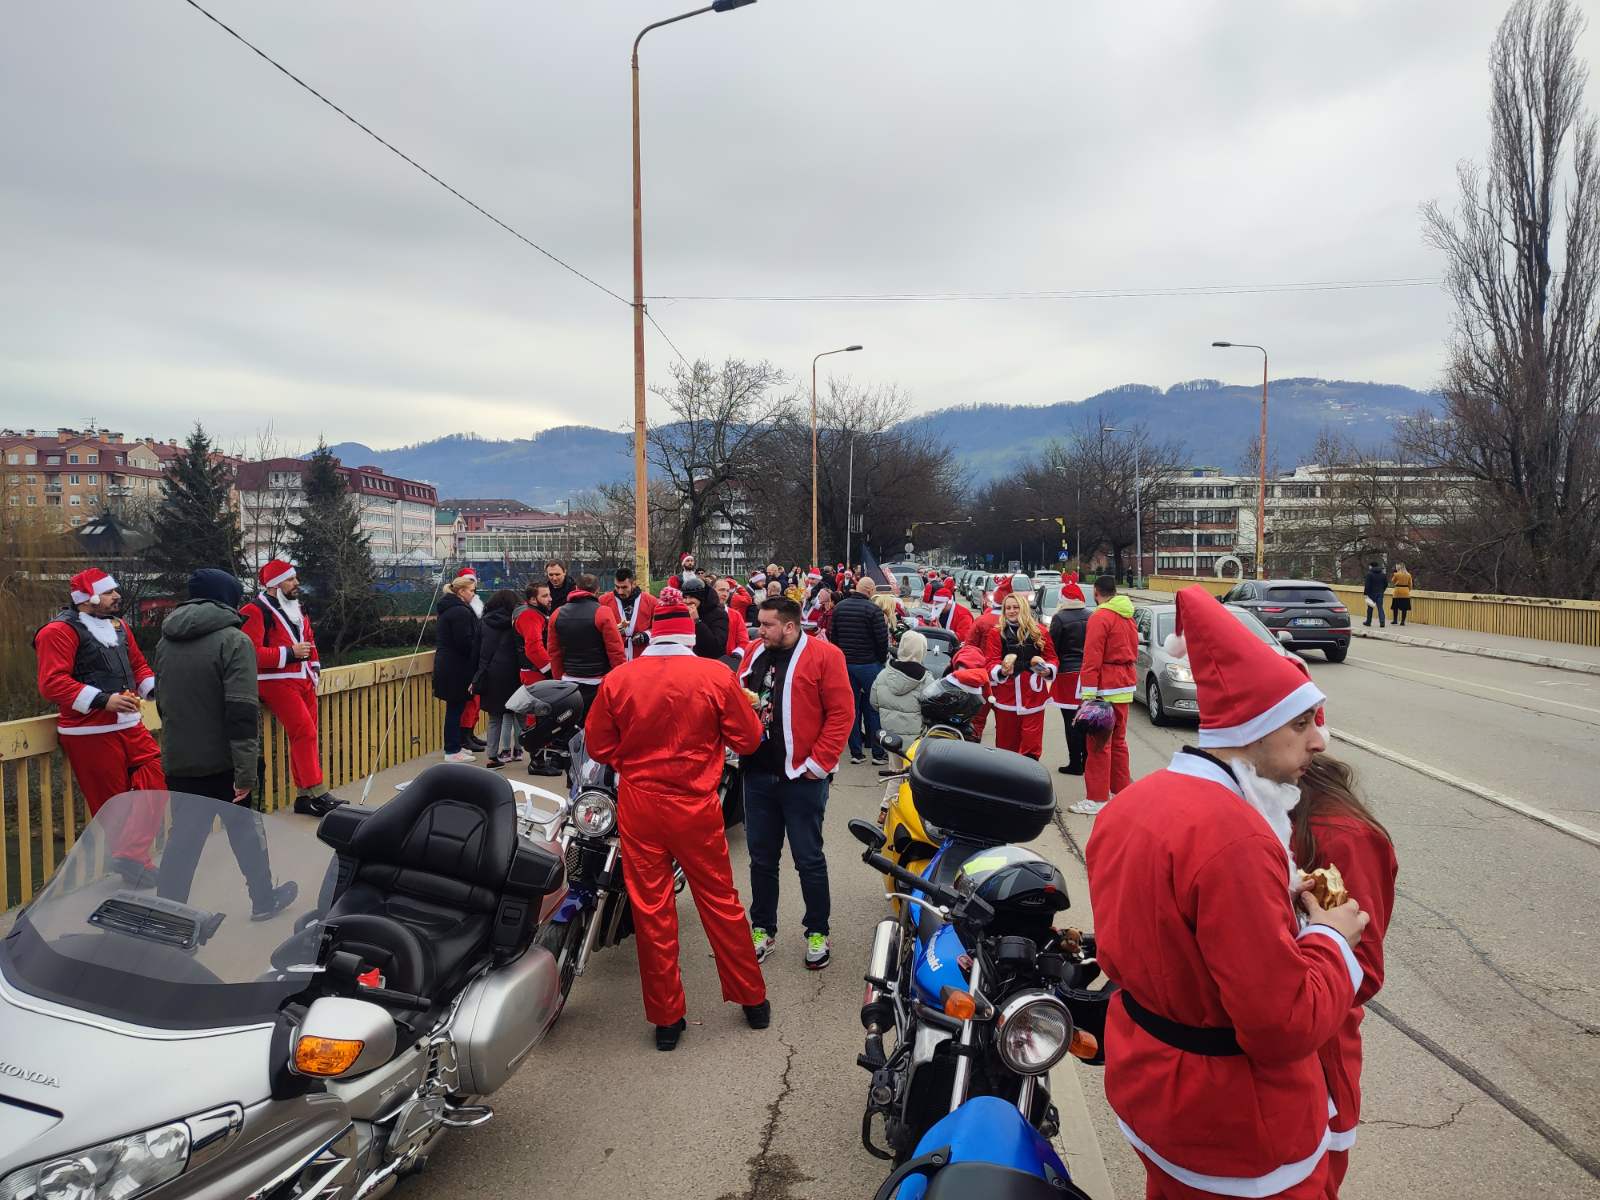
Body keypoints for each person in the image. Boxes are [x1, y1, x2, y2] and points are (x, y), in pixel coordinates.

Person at [1085, 584, 1369, 1200]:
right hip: (1235, 1127)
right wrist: (1329, 938)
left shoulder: (1131, 804)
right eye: (1299, 723)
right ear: (1253, 727)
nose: (1317, 741)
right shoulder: (1237, 839)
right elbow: (1281, 1027)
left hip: (1150, 1086)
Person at [584, 586, 770, 1050]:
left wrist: (634, 755)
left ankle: (667, 1021)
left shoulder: (620, 678)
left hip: (640, 804)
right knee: (720, 901)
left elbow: (598, 748)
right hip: (695, 805)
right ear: (689, 635)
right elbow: (748, 741)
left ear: (651, 634)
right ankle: (753, 1002)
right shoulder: (715, 675)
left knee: (652, 910)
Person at [154, 568, 298, 920]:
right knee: (246, 832)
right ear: (229, 598)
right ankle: (264, 901)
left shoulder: (166, 640)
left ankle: (165, 914)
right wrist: (246, 771)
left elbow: (162, 703)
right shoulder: (235, 641)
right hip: (225, 762)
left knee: (183, 840)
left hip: (179, 759)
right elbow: (241, 711)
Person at [1292, 756, 1397, 1194]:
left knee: (1312, 1183)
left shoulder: (1342, 836)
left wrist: (1317, 940)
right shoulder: (1248, 805)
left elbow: (1364, 971)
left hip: (1319, 1053)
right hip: (1259, 1060)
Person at [738, 597, 854, 970]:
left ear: (789, 626)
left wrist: (818, 764)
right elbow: (736, 697)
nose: (760, 630)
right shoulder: (755, 652)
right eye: (759, 623)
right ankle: (762, 928)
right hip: (757, 773)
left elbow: (841, 713)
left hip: (801, 777)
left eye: (768, 625)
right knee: (761, 858)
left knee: (808, 858)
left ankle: (817, 930)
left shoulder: (825, 656)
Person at [33, 567, 164, 886]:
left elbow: (137, 665)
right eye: (108, 592)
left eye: (114, 591)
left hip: (128, 722)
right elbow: (51, 684)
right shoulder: (57, 632)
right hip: (88, 730)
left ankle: (131, 855)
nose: (116, 596)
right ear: (87, 598)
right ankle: (134, 863)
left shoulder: (119, 627)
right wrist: (103, 700)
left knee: (157, 779)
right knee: (113, 801)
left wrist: (153, 688)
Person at [240, 559, 336, 817]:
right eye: (291, 579)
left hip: (304, 679)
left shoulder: (298, 607)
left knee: (307, 734)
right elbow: (251, 653)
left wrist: (314, 666)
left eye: (295, 578)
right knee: (304, 732)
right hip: (274, 681)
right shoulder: (255, 610)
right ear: (274, 585)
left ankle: (304, 797)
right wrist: (289, 654)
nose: (297, 583)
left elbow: (310, 640)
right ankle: (317, 792)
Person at [1068, 576, 1138, 817]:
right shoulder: (1127, 615)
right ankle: (1121, 793)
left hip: (1105, 686)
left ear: (1096, 592)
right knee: (1118, 742)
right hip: (1124, 684)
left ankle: (1097, 798)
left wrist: (1088, 692)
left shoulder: (1100, 616)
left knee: (1097, 745)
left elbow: (1092, 656)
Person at [975, 591, 1058, 760]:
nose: (1012, 611)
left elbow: (1052, 658)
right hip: (1007, 696)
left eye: (1016, 607)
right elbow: (990, 661)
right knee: (1006, 746)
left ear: (1024, 608)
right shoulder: (996, 633)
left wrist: (1048, 669)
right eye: (1008, 608)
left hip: (1033, 695)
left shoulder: (1040, 631)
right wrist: (1001, 671)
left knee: (1031, 746)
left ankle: (1029, 780)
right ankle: (1008, 780)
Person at [831, 576, 892, 766]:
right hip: (869, 664)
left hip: (846, 664)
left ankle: (856, 752)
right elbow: (882, 641)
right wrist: (880, 660)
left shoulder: (839, 608)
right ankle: (877, 752)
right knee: (873, 708)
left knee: (852, 709)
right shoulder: (873, 610)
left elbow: (834, 637)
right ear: (871, 590)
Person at [548, 571, 626, 712]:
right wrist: (620, 680)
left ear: (576, 588)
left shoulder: (557, 613)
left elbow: (554, 651)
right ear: (597, 590)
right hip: (598, 680)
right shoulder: (603, 612)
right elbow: (616, 651)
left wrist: (559, 678)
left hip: (569, 680)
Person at [473, 589, 524, 768]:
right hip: (514, 673)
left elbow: (477, 651)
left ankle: (492, 757)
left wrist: (476, 675)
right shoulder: (517, 622)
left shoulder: (484, 622)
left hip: (491, 673)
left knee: (495, 718)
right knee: (519, 713)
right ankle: (519, 748)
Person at [433, 573, 481, 762]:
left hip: (449, 665)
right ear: (461, 592)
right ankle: (452, 750)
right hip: (456, 667)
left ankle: (455, 746)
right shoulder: (460, 612)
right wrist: (477, 652)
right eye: (471, 591)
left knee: (455, 707)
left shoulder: (450, 609)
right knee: (455, 708)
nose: (473, 594)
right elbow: (464, 642)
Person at [1049, 577, 1091, 776]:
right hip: (1088, 673)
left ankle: (1075, 763)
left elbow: (1052, 647)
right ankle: (1088, 758)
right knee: (1086, 718)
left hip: (1067, 673)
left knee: (1070, 721)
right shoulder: (1091, 615)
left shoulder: (1059, 618)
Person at [871, 629, 927, 744]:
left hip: (890, 737)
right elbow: (930, 709)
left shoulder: (883, 674)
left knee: (893, 761)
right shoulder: (926, 679)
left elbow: (874, 702)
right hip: (915, 738)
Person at [453, 567, 488, 752]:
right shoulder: (462, 611)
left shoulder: (473, 606)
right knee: (469, 700)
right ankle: (464, 736)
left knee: (475, 700)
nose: (473, 593)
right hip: (468, 662)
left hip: (474, 659)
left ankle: (469, 733)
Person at [601, 568, 657, 661]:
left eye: (624, 587)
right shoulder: (604, 601)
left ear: (634, 584)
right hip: (615, 657)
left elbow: (659, 627)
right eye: (617, 587)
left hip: (641, 656)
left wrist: (646, 635)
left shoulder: (651, 601)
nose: (620, 592)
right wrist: (611, 631)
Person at [716, 577, 752, 659]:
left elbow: (744, 642)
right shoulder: (703, 613)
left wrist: (737, 654)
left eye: (727, 591)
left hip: (729, 661)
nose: (725, 594)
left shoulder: (735, 615)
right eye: (721, 590)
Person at [1362, 561, 1387, 628]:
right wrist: (1382, 590)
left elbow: (1367, 585)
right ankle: (1382, 622)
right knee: (1380, 608)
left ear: (1371, 566)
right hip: (1380, 593)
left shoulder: (1369, 574)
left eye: (1369, 566)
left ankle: (1368, 622)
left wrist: (1365, 593)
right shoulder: (1383, 574)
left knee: (1370, 608)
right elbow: (1386, 584)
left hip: (1371, 594)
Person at [1388, 563, 1413, 627]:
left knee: (1395, 607)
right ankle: (1402, 621)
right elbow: (1410, 585)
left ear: (1398, 568)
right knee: (1404, 608)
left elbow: (1392, 581)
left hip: (1397, 592)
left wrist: (1395, 574)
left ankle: (1395, 620)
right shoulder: (1408, 575)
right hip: (1405, 591)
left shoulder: (1396, 574)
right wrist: (1408, 590)